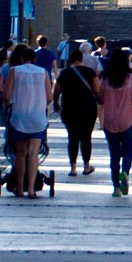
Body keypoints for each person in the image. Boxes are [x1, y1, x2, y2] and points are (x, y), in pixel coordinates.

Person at [3, 41, 53, 197]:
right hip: (38, 117)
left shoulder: (14, 71)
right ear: (35, 59)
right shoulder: (43, 72)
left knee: (20, 154)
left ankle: (19, 188)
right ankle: (31, 189)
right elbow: (50, 97)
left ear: (21, 58)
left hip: (19, 117)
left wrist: (12, 103)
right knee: (33, 154)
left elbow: (6, 96)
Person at [98, 44, 132, 195]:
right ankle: (125, 172)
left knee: (114, 154)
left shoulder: (104, 78)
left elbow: (101, 100)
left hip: (110, 120)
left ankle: (116, 187)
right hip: (127, 118)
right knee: (128, 151)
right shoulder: (131, 78)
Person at [54, 44, 98, 176]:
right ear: (82, 59)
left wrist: (56, 103)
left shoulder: (64, 73)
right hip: (88, 109)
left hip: (69, 109)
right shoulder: (90, 73)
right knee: (86, 137)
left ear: (71, 60)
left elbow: (56, 91)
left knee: (72, 138)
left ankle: (73, 167)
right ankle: (86, 166)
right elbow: (97, 90)